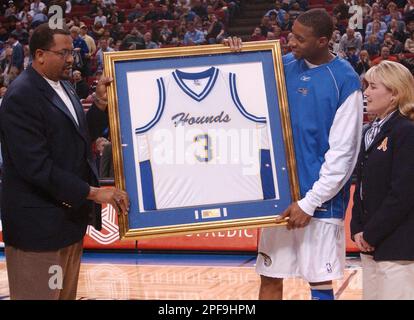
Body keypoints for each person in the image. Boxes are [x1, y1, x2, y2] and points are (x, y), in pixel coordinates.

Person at [228, 9, 363, 300]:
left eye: (300, 39)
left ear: (323, 41)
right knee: (270, 277)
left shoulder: (345, 80)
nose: (291, 42)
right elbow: (235, 86)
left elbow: (344, 155)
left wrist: (310, 203)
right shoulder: (282, 65)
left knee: (320, 285)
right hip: (279, 198)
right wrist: (233, 57)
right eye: (292, 34)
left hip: (320, 205)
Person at [0, 23, 129, 300]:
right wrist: (94, 193)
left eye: (71, 52)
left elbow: (79, 139)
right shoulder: (21, 96)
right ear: (40, 55)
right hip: (38, 231)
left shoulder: (65, 87)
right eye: (64, 52)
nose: (71, 59)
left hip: (67, 224)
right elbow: (37, 168)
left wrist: (99, 106)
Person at [351, 61, 414, 300]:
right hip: (371, 244)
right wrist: (357, 228)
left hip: (399, 247)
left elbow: (403, 194)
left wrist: (371, 233)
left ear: (395, 93)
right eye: (366, 85)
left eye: (373, 86)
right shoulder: (369, 131)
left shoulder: (407, 130)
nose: (365, 92)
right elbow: (362, 187)